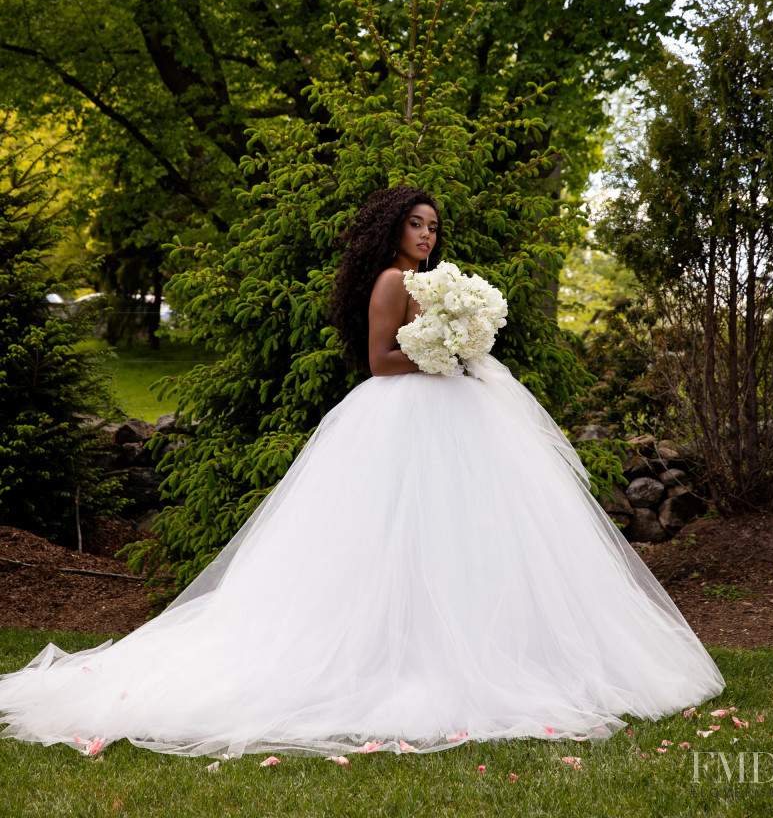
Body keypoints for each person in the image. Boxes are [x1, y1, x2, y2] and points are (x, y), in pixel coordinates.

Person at [0, 185, 725, 759]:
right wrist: (443, 354)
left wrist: (462, 345)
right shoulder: (388, 282)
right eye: (417, 224)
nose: (428, 235)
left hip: (449, 413)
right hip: (399, 414)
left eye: (434, 226)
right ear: (392, 229)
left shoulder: (432, 282)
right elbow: (380, 359)